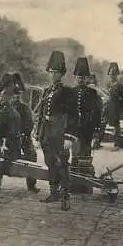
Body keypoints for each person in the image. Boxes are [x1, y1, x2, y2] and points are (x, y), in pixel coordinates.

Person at [35, 51, 76, 206]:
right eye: (50, 72)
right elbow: (41, 114)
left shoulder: (67, 92)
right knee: (50, 162)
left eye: (56, 72)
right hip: (47, 132)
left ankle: (66, 197)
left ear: (61, 74)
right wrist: (39, 135)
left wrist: (69, 137)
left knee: (62, 163)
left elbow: (72, 116)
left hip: (60, 132)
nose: (52, 75)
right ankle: (54, 193)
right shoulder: (46, 91)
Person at [69, 57, 102, 193]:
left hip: (87, 131)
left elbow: (98, 113)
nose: (80, 79)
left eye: (83, 77)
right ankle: (74, 185)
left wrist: (96, 131)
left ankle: (86, 186)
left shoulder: (93, 93)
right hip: (75, 131)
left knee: (86, 157)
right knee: (75, 156)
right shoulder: (71, 92)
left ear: (87, 78)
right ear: (74, 77)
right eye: (78, 77)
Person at [11, 72, 40, 193]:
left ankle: (31, 184)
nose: (15, 98)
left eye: (17, 95)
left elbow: (29, 124)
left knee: (32, 155)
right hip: (10, 138)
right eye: (13, 95)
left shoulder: (24, 108)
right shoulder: (6, 107)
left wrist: (24, 134)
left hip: (23, 137)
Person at [93, 62, 123, 151]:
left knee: (116, 126)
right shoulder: (108, 84)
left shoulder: (120, 85)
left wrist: (121, 107)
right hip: (108, 107)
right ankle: (97, 143)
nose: (112, 75)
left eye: (114, 74)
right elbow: (106, 95)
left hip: (115, 108)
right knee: (102, 124)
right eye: (110, 73)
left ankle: (117, 144)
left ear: (117, 74)